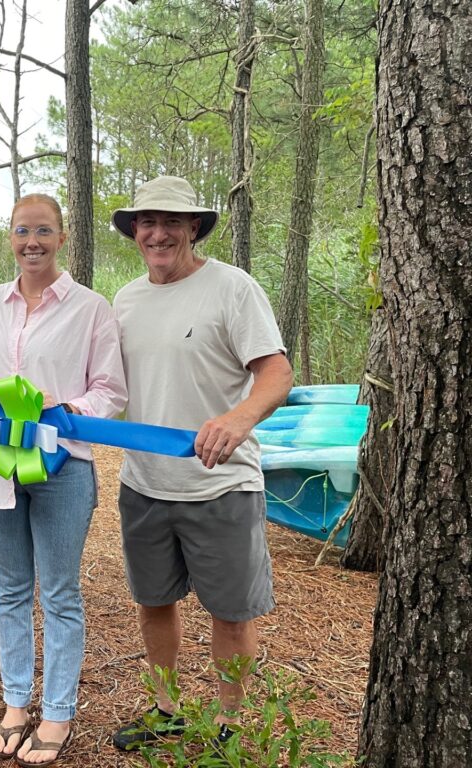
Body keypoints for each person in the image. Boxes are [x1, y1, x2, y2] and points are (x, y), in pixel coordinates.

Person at [107, 176, 294, 750]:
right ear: (135, 231)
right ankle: (166, 710)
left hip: (222, 485)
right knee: (154, 603)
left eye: (171, 222)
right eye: (147, 222)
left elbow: (276, 372)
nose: (158, 233)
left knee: (231, 613)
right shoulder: (126, 299)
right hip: (145, 483)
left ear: (193, 228)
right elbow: (109, 388)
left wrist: (237, 421)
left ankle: (230, 723)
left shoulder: (231, 288)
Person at [0, 194, 127, 766]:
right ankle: (15, 703)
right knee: (11, 590)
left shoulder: (91, 308)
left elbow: (110, 392)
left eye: (44, 231)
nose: (33, 242)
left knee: (59, 592)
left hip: (63, 467)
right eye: (23, 230)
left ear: (63, 237)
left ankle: (57, 712)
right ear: (10, 236)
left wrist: (63, 406)